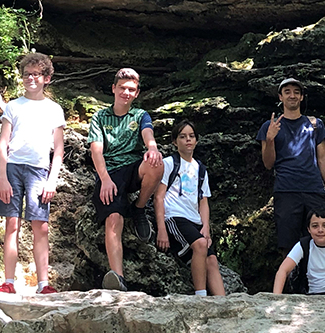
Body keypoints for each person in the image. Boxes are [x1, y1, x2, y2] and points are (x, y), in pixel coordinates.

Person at [0, 52, 65, 294]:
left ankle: (43, 283)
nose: (31, 79)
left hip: (39, 170)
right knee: (12, 224)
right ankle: (8, 281)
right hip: (13, 168)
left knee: (40, 226)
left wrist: (52, 180)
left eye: (36, 74)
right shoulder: (13, 106)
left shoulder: (54, 109)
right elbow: (3, 143)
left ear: (46, 78)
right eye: (26, 74)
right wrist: (2, 177)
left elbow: (59, 148)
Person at [88, 68, 164, 291]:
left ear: (137, 93)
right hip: (109, 171)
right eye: (122, 88)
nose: (126, 92)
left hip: (133, 168)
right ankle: (118, 278)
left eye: (131, 89)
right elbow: (96, 151)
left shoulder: (141, 115)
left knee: (157, 163)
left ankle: (139, 207)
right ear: (113, 88)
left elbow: (148, 135)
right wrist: (105, 179)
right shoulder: (100, 117)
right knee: (114, 218)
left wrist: (152, 149)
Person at [256, 78, 325, 252]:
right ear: (280, 97)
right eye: (287, 92)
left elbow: (322, 159)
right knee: (289, 245)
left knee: (322, 242)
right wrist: (270, 139)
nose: (292, 95)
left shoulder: (315, 124)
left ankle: (320, 279)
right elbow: (268, 164)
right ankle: (293, 279)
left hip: (314, 190)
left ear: (301, 97)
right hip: (286, 191)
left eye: (296, 92)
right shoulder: (270, 126)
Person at [154, 120, 226, 296]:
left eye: (191, 136)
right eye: (182, 136)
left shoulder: (200, 169)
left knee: (211, 260)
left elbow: (203, 201)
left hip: (195, 220)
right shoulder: (169, 163)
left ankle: (223, 302)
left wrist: (206, 227)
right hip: (175, 217)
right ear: (174, 141)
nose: (188, 140)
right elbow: (158, 197)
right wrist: (162, 229)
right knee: (200, 245)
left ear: (196, 140)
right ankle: (200, 297)